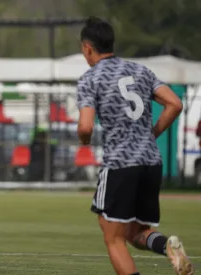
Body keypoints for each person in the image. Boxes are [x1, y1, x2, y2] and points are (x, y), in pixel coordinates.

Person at [76, 17, 193, 275]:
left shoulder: (90, 78)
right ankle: (168, 248)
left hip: (120, 163)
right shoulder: (141, 71)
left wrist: (84, 141)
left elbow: (85, 127)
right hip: (151, 162)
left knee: (113, 237)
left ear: (87, 48)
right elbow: (175, 103)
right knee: (135, 233)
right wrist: (152, 134)